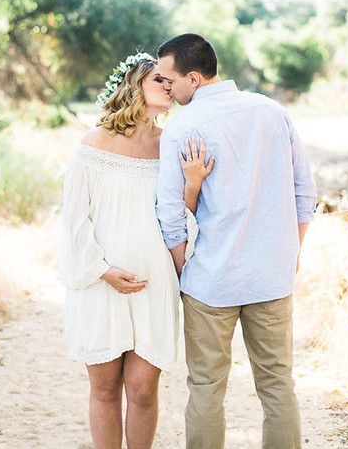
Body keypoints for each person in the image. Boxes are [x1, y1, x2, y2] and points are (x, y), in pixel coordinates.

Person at [155, 33, 317, 449]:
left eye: (170, 81)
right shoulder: (272, 111)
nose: (166, 89)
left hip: (210, 281)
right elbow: (305, 195)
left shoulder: (182, 128)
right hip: (272, 277)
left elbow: (170, 217)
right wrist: (291, 253)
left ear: (193, 77)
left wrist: (181, 270)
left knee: (206, 387)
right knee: (278, 386)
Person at [60, 51, 204, 449]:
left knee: (142, 391)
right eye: (161, 80)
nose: (170, 87)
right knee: (105, 390)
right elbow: (74, 220)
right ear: (136, 84)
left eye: (171, 81)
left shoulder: (171, 145)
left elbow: (183, 217)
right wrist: (103, 270)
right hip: (100, 283)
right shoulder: (93, 144)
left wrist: (192, 184)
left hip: (153, 284)